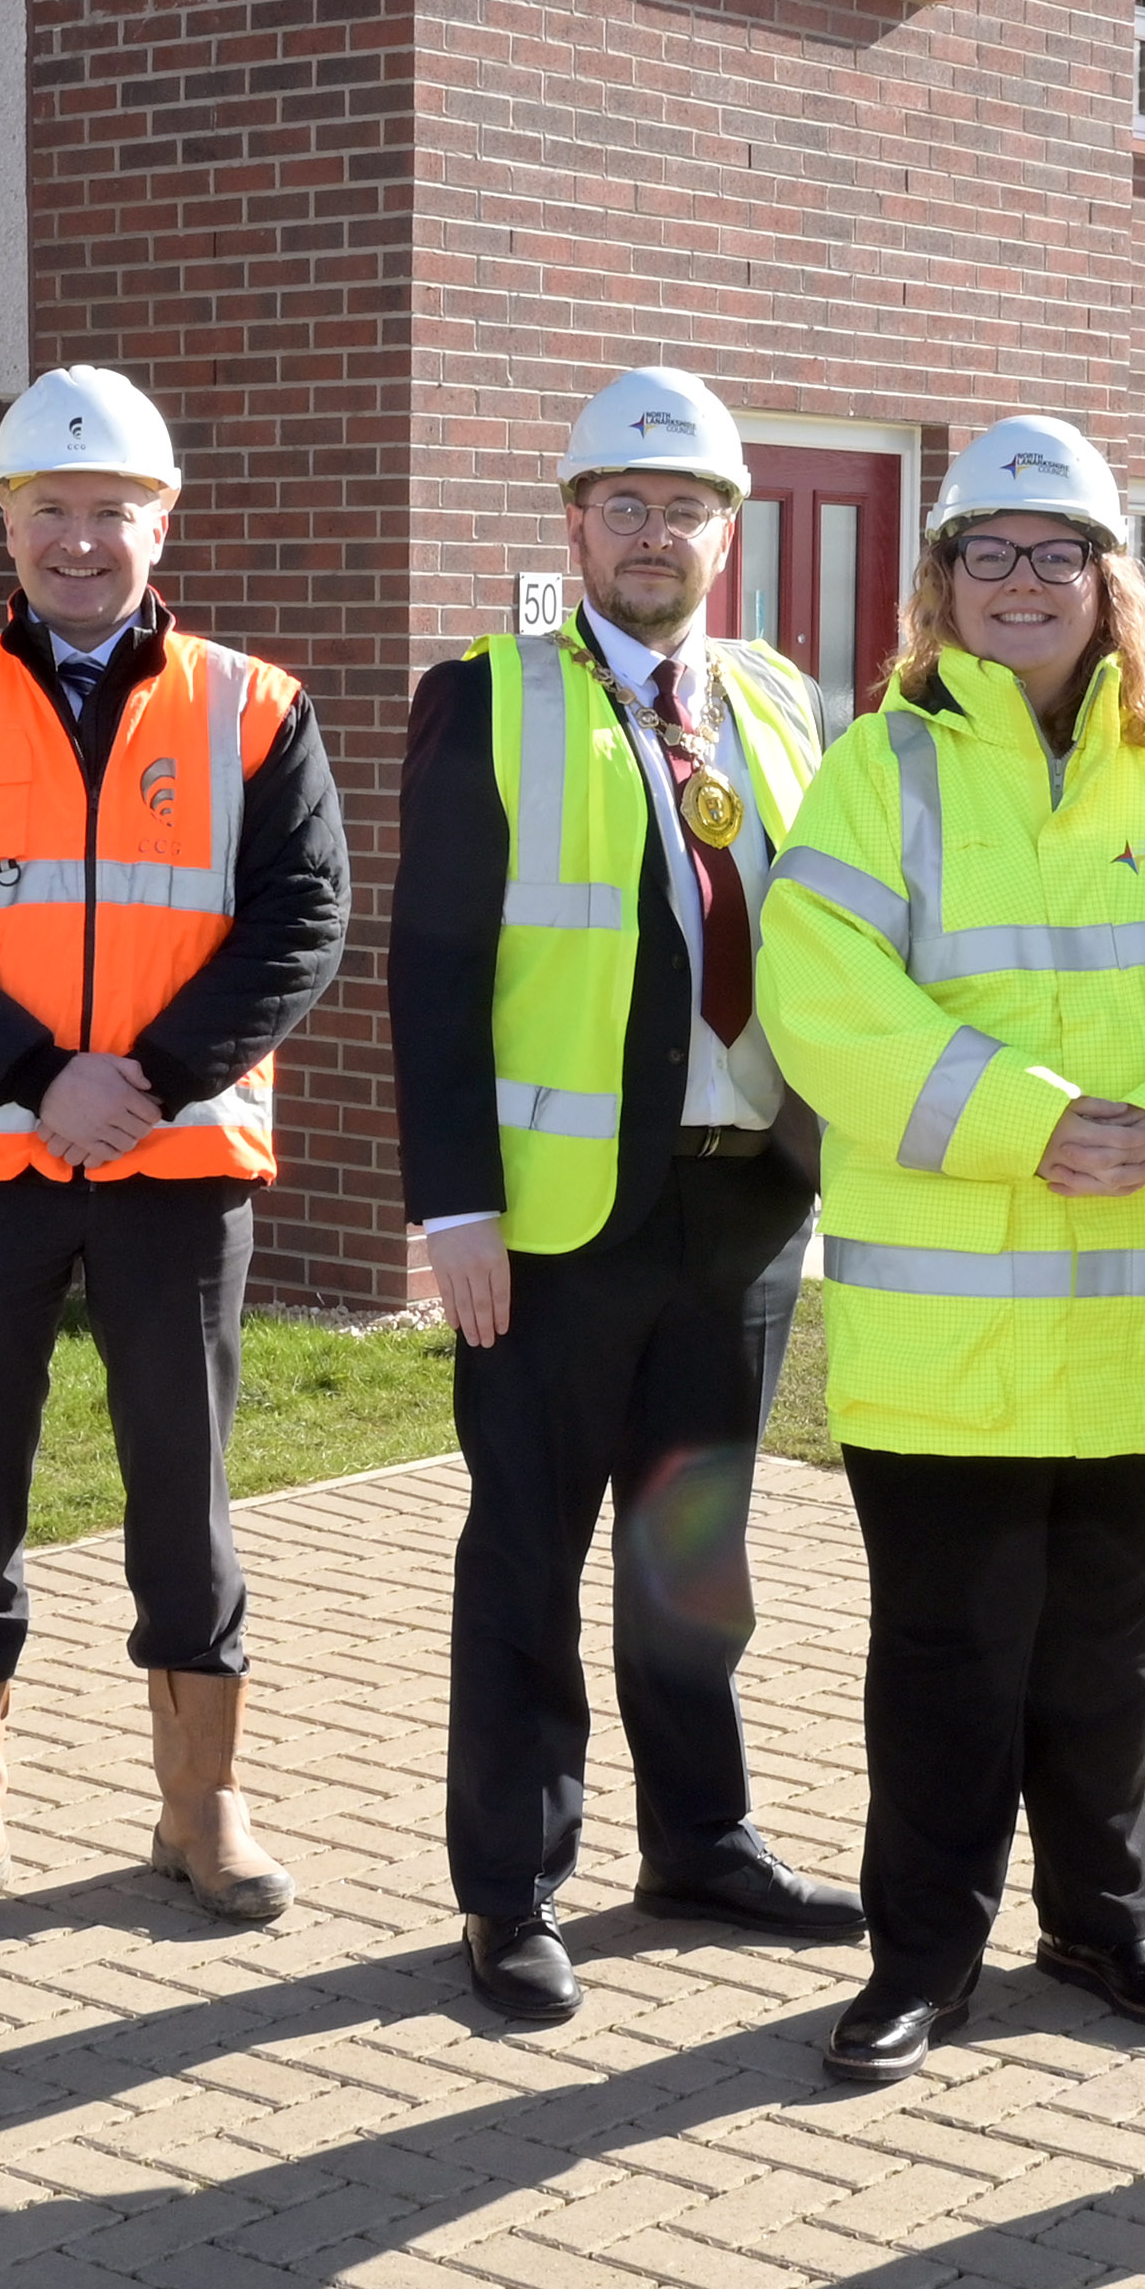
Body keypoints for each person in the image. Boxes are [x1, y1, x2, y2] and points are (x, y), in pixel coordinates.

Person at [754, 414, 1145, 2083]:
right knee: (945, 1659)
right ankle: (920, 1956)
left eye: (1059, 553)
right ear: (941, 583)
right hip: (948, 1343)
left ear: (1113, 580)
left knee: (1107, 1648)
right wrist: (1033, 1119)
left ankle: (1102, 1916)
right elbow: (822, 998)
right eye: (989, 554)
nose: (1024, 584)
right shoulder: (880, 766)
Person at [0, 365, 351, 1942]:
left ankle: (203, 1807)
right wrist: (41, 1078)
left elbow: (302, 921)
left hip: (178, 1162)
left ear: (160, 518)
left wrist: (152, 1081)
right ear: (4, 517)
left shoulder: (254, 703)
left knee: (183, 1494)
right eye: (49, 508)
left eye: (109, 509)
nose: (78, 538)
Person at [393, 367, 864, 2025]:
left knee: (692, 1550)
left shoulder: (786, 704)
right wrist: (452, 1207)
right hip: (551, 1219)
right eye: (627, 504)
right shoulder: (489, 694)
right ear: (574, 523)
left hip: (743, 1206)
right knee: (525, 1554)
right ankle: (510, 1887)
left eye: (687, 509)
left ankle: (701, 1835)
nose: (657, 533)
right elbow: (435, 972)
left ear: (727, 534)